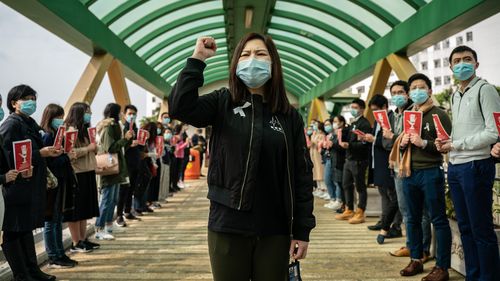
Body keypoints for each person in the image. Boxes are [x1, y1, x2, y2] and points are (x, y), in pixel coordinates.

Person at [169, 33, 315, 280]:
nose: (252, 60)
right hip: (227, 224)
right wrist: (198, 59)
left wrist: (302, 229)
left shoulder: (288, 116)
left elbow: (302, 174)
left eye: (260, 54)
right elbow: (179, 107)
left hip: (275, 229)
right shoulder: (222, 102)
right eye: (245, 55)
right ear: (236, 64)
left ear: (273, 63)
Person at [436, 45, 500, 280]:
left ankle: (489, 277)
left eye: (467, 59)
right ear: (451, 67)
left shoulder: (486, 90)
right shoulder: (455, 94)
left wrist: (457, 144)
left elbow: (492, 133)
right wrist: (447, 143)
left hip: (476, 165)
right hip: (455, 166)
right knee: (464, 227)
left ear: (476, 64)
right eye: (457, 61)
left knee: (481, 229)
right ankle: (473, 275)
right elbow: (462, 134)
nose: (462, 63)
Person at [390, 73, 452, 281]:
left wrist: (423, 143)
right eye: (413, 88)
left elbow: (446, 146)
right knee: (412, 218)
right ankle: (416, 258)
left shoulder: (439, 115)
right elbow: (397, 145)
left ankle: (442, 266)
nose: (417, 91)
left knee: (438, 219)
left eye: (421, 87)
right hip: (409, 172)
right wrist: (404, 142)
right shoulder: (408, 114)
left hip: (430, 171)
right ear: (409, 93)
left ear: (430, 91)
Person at [0, 85, 61, 281]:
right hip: (16, 185)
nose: (32, 102)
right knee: (14, 229)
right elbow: (9, 156)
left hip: (30, 184)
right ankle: (22, 274)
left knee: (26, 228)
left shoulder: (29, 123)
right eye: (26, 98)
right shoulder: (11, 125)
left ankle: (32, 271)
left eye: (33, 98)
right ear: (14, 103)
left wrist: (47, 152)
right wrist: (40, 154)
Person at [383, 80, 432, 259]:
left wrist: (393, 137)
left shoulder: (414, 113)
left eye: (400, 92)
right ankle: (411, 245)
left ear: (407, 94)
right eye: (393, 93)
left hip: (413, 166)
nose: (397, 96)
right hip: (397, 167)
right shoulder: (393, 115)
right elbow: (385, 142)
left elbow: (411, 139)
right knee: (406, 210)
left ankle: (424, 249)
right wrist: (394, 138)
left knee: (422, 211)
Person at [40, 104, 78, 268]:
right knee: (51, 220)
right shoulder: (48, 136)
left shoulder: (57, 134)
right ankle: (54, 255)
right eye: (58, 117)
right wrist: (66, 156)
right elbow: (50, 161)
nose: (61, 120)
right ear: (50, 118)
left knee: (57, 219)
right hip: (53, 183)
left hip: (60, 180)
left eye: (62, 117)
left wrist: (66, 155)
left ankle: (60, 252)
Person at [362, 95, 400, 244]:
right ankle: (384, 221)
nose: (375, 113)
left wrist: (374, 140)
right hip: (377, 163)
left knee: (392, 196)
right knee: (384, 194)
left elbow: (388, 140)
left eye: (377, 110)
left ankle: (395, 225)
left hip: (387, 161)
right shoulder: (377, 121)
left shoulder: (390, 118)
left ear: (385, 106)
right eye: (373, 111)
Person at [65, 102, 100, 253]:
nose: (90, 115)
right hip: (77, 172)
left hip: (88, 171)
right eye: (87, 112)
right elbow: (70, 153)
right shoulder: (70, 130)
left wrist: (94, 149)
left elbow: (90, 150)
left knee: (85, 209)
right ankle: (75, 242)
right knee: (76, 210)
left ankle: (83, 238)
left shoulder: (85, 130)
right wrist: (88, 148)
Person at [95, 103, 134, 240]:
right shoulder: (108, 126)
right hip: (109, 168)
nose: (122, 115)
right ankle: (99, 228)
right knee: (106, 199)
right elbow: (110, 147)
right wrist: (125, 139)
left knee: (113, 199)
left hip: (117, 168)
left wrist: (128, 139)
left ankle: (108, 225)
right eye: (120, 112)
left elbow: (121, 146)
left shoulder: (116, 126)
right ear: (115, 113)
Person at [335, 98, 371, 224]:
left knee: (360, 187)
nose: (353, 109)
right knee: (346, 184)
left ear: (362, 109)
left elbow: (365, 144)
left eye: (355, 107)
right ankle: (349, 209)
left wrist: (349, 146)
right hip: (349, 159)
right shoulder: (353, 123)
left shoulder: (364, 124)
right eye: (352, 107)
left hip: (359, 160)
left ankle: (360, 211)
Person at [116, 104, 141, 226]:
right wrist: (129, 143)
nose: (132, 116)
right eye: (130, 114)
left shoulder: (135, 128)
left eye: (134, 114)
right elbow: (119, 146)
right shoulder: (122, 128)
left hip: (135, 162)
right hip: (126, 163)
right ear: (124, 115)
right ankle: (119, 215)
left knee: (131, 188)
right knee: (123, 189)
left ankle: (127, 211)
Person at [322, 119, 342, 209]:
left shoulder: (337, 133)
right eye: (325, 125)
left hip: (336, 159)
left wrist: (331, 144)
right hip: (328, 158)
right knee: (327, 179)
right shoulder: (328, 135)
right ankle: (333, 198)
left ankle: (338, 199)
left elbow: (338, 145)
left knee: (336, 180)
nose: (327, 126)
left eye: (329, 124)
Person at [310, 120, 325, 197]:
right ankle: (318, 188)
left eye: (315, 124)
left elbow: (320, 144)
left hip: (318, 155)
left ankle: (323, 189)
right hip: (313, 155)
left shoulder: (322, 135)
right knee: (315, 171)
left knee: (320, 171)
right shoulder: (314, 134)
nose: (314, 126)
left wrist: (313, 142)